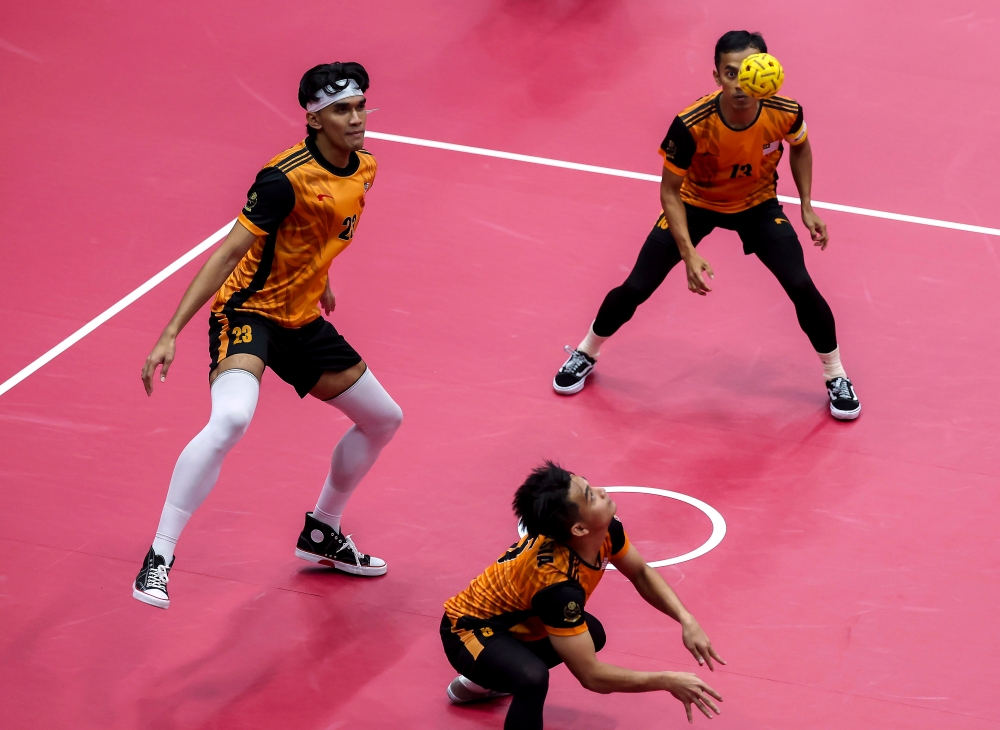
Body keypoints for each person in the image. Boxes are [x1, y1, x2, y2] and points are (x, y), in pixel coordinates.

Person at [132, 62, 403, 609]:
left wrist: (320, 280)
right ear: (314, 117)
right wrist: (171, 332)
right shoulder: (281, 180)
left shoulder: (364, 168)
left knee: (383, 419)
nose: (357, 119)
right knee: (231, 417)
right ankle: (159, 556)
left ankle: (322, 530)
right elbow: (230, 251)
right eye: (342, 110)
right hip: (248, 313)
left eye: (360, 106)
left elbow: (323, 232)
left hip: (301, 318)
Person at [553, 30, 861, 421]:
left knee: (801, 284)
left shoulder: (784, 111)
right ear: (716, 76)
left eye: (746, 71)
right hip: (695, 203)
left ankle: (835, 374)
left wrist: (806, 205)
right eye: (729, 73)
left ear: (762, 71)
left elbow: (800, 146)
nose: (739, 83)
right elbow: (669, 192)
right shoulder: (691, 124)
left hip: (757, 205)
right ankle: (585, 351)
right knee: (636, 285)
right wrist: (689, 253)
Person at [441, 462, 723, 729]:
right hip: (467, 631)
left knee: (593, 633)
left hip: (516, 621)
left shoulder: (605, 530)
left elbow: (640, 573)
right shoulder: (558, 588)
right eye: (590, 496)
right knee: (531, 679)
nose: (602, 491)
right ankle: (489, 674)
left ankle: (484, 680)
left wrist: (686, 619)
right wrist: (667, 680)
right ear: (578, 528)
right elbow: (591, 676)